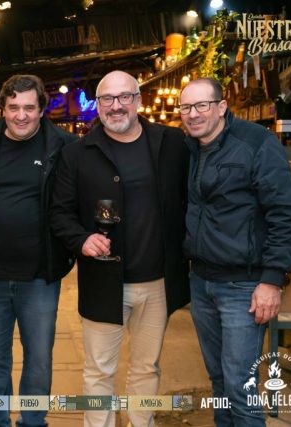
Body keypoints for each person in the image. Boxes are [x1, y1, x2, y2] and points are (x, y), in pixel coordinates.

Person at [50, 70, 190, 427]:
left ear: (138, 100)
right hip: (103, 280)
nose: (116, 106)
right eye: (107, 99)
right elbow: (59, 212)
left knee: (147, 367)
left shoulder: (170, 143)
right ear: (97, 105)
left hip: (158, 282)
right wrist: (81, 239)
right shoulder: (77, 153)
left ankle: (141, 422)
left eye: (124, 96)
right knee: (99, 370)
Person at [179, 78, 291, 426]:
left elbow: (287, 213)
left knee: (240, 387)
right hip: (201, 281)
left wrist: (272, 280)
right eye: (186, 107)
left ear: (221, 107)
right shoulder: (190, 149)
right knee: (219, 381)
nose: (193, 114)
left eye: (202, 105)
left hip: (243, 287)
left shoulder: (256, 143)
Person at [0, 74, 77, 427]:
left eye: (29, 107)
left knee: (38, 358)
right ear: (3, 108)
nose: (21, 115)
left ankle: (33, 421)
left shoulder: (63, 146)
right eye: (13, 107)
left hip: (39, 277)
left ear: (42, 110)